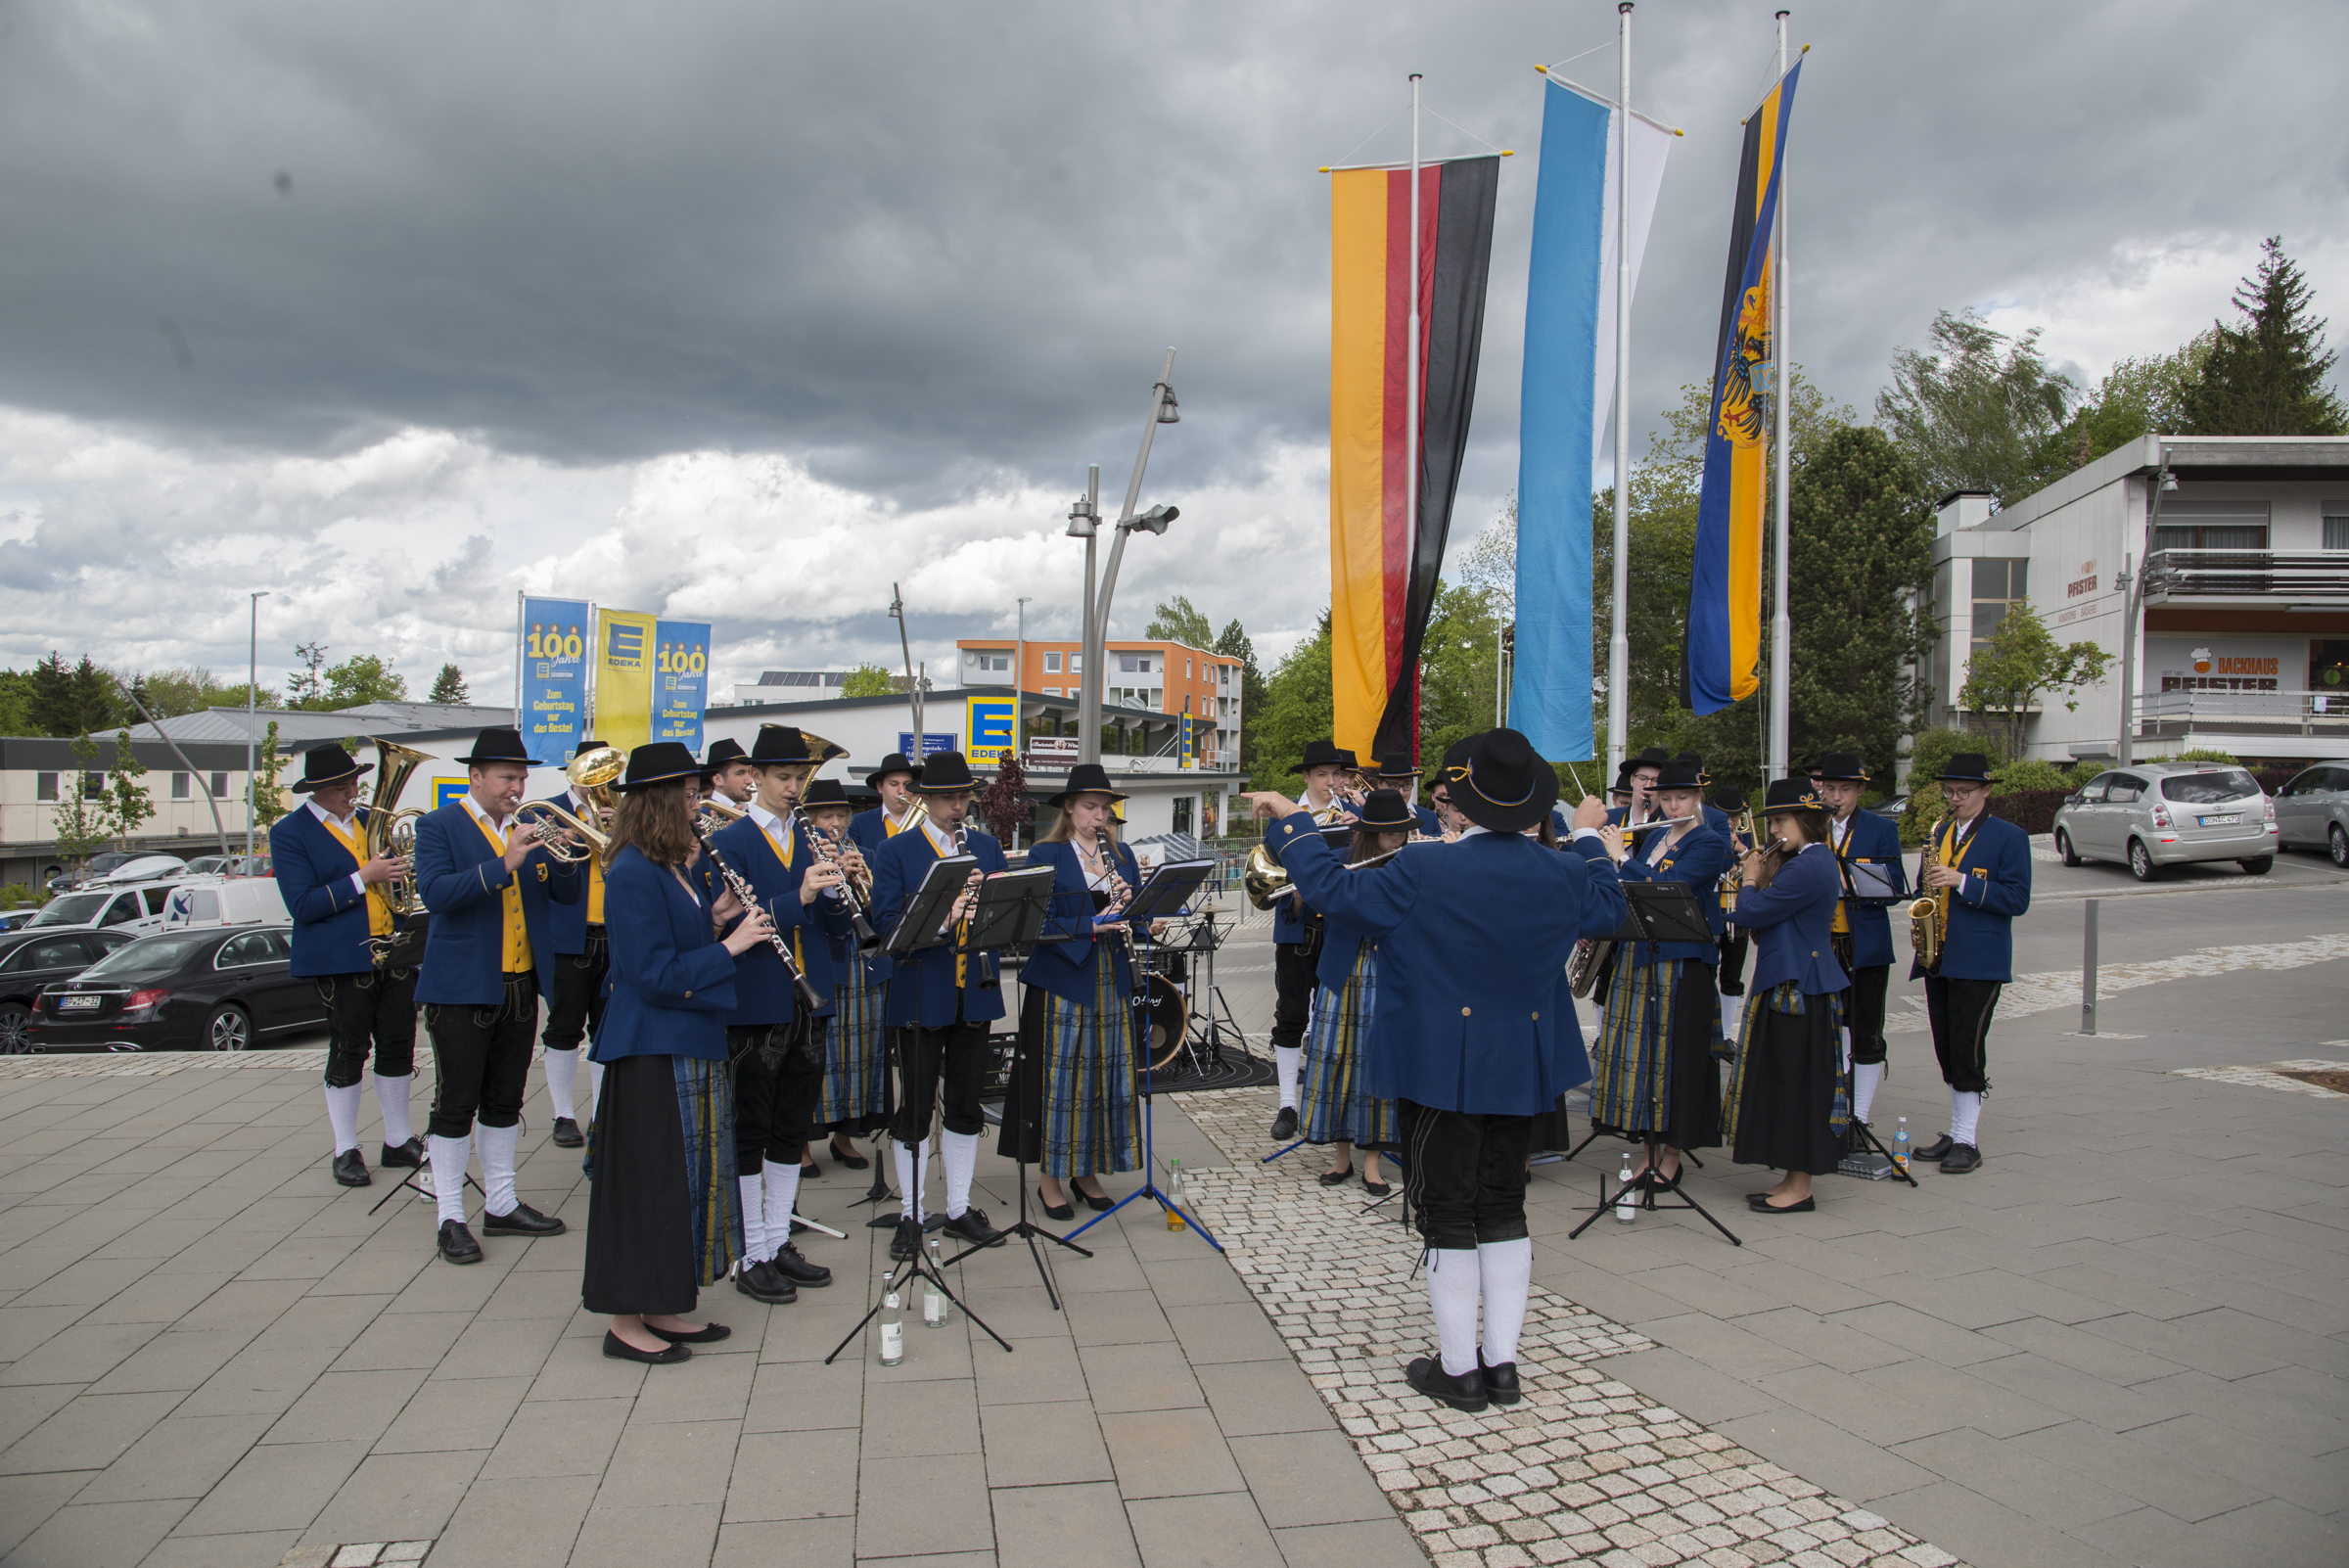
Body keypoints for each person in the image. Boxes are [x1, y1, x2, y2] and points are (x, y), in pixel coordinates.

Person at [1248, 728, 1624, 1413]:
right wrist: (1595, 838)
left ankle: (1458, 1371)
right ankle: (1502, 1366)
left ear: (1462, 805)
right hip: (1527, 1064)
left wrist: (1292, 817)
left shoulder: (1424, 869)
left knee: (1447, 1211)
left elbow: (1332, 891)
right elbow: (1610, 903)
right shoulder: (1568, 870)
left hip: (1442, 1062)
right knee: (1504, 1205)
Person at [584, 742, 775, 1364]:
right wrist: (734, 946)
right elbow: (651, 974)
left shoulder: (670, 868)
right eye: (691, 797)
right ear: (663, 802)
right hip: (650, 1055)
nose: (700, 807)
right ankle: (624, 1321)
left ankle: (662, 1303)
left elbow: (679, 941)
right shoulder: (633, 871)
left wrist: (717, 919)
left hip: (686, 1046)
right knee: (649, 1186)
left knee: (683, 1185)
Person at [411, 727, 581, 1265]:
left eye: (523, 777)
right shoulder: (439, 826)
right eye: (508, 777)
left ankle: (502, 1203)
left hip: (520, 982)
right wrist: (504, 863)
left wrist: (567, 852)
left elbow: (564, 894)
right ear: (477, 776)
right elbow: (436, 894)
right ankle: (450, 1216)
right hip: (461, 985)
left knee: (506, 1099)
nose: (517, 786)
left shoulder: (529, 828)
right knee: (458, 1100)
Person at [709, 725, 852, 1304]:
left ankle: (777, 1236)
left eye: (800, 779)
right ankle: (751, 1250)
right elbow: (731, 918)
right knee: (752, 1126)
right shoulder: (732, 841)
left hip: (810, 997)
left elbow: (838, 931)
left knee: (792, 1126)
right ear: (756, 780)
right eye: (783, 778)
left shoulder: (815, 838)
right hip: (756, 998)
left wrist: (845, 895)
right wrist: (804, 896)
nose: (794, 788)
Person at [868, 751, 1010, 1259]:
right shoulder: (897, 851)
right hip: (919, 995)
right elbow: (886, 926)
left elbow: (1003, 921)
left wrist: (988, 905)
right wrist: (947, 915)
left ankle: (957, 1207)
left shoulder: (988, 847)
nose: (957, 806)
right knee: (916, 1109)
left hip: (974, 992)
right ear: (925, 800)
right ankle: (910, 1214)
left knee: (967, 1106)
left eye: (963, 796)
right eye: (948, 797)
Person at [271, 743, 422, 1188]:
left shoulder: (368, 823)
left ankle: (397, 1138)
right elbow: (302, 904)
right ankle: (345, 1147)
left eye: (354, 782)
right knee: (349, 1048)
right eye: (341, 786)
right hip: (340, 958)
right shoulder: (290, 832)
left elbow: (396, 882)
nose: (351, 792)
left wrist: (402, 875)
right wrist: (366, 876)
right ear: (316, 790)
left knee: (399, 1045)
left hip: (393, 950)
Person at [1005, 762, 1143, 1219]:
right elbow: (1033, 923)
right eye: (1089, 807)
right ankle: (1050, 1177)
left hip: (1111, 978)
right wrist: (1089, 924)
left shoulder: (1121, 857)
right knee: (1062, 1081)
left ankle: (1088, 1172)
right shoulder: (1047, 854)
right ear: (1069, 807)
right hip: (1064, 979)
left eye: (1104, 808)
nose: (1098, 816)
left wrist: (1138, 911)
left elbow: (1138, 917)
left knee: (1104, 1078)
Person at [1588, 761, 1729, 1188]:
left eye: (1681, 798)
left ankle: (1672, 1155)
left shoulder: (1708, 842)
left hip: (1685, 965)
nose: (1672, 805)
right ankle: (1648, 1147)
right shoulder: (1655, 838)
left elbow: (1673, 888)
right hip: (1643, 957)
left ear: (1697, 799)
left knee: (1679, 1059)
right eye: (1665, 799)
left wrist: (1621, 858)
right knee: (1647, 1058)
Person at [1724, 779, 1850, 1214]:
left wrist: (1752, 879)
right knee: (1787, 1082)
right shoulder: (1805, 860)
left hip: (1802, 986)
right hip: (1792, 980)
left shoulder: (1810, 864)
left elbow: (1750, 912)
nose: (1774, 829)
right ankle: (1793, 1178)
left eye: (1779, 820)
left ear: (1806, 820)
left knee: (1800, 1086)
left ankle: (1802, 1186)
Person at [1911, 753, 2031, 1174]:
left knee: (1967, 1046)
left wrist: (1962, 881)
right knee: (1946, 1046)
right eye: (1951, 792)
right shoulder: (1940, 831)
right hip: (1938, 954)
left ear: (1985, 791)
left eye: (1964, 792)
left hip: (1980, 958)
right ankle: (1957, 1129)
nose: (1956, 798)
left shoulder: (2009, 836)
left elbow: (2017, 899)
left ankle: (1967, 1140)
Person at [1301, 789, 1416, 1193]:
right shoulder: (1342, 864)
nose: (1399, 838)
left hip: (1388, 972)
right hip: (1343, 971)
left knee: (1375, 1064)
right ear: (1372, 833)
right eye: (1391, 833)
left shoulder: (1412, 866)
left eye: (1402, 830)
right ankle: (1341, 1157)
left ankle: (1373, 1163)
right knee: (1336, 1062)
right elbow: (1317, 903)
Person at [1812, 754, 1909, 1131]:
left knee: (1866, 1029)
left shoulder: (1879, 828)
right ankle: (1828, 1109)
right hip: (1822, 942)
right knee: (1825, 1027)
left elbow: (1895, 884)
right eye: (1831, 788)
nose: (1836, 797)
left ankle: (1860, 1116)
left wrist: (1849, 881)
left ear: (1860, 790)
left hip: (1864, 943)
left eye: (1845, 790)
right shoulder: (1813, 825)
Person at [1269, 738, 1358, 1140]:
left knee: (1335, 1017)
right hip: (1296, 927)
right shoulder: (1284, 818)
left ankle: (1327, 1100)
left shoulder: (1352, 816)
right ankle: (1288, 1103)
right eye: (1321, 775)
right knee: (1291, 1014)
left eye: (1334, 775)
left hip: (1340, 928)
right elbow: (1269, 874)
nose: (1328, 782)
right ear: (1306, 777)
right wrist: (1298, 893)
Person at [802, 778, 883, 1170]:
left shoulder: (863, 852)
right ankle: (801, 1143)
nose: (834, 822)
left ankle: (845, 1137)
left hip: (862, 963)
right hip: (824, 960)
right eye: (826, 815)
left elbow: (878, 910)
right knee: (821, 1054)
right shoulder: (801, 855)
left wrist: (859, 877)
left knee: (860, 1053)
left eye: (840, 815)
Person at [539, 738, 616, 1151]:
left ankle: (600, 1113)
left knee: (605, 1029)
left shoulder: (623, 812)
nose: (604, 781)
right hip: (570, 937)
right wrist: (568, 839)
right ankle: (562, 1113)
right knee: (564, 1027)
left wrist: (620, 829)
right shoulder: (550, 811)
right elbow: (541, 873)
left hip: (614, 934)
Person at [1711, 786, 1755, 996]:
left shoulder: (1744, 841)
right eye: (1726, 817)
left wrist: (1743, 852)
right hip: (1712, 909)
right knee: (1708, 972)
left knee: (1732, 977)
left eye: (1735, 817)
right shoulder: (1709, 836)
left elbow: (1758, 867)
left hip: (1737, 910)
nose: (1731, 822)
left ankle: (1727, 1029)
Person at [848, 753, 925, 854]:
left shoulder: (928, 821)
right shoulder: (858, 823)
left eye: (906, 784)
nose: (901, 791)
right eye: (894, 784)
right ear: (880, 787)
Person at [1368, 755, 1441, 838]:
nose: (1401, 793)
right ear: (1380, 784)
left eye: (1406, 785)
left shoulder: (1430, 818)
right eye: (1393, 786)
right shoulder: (1362, 815)